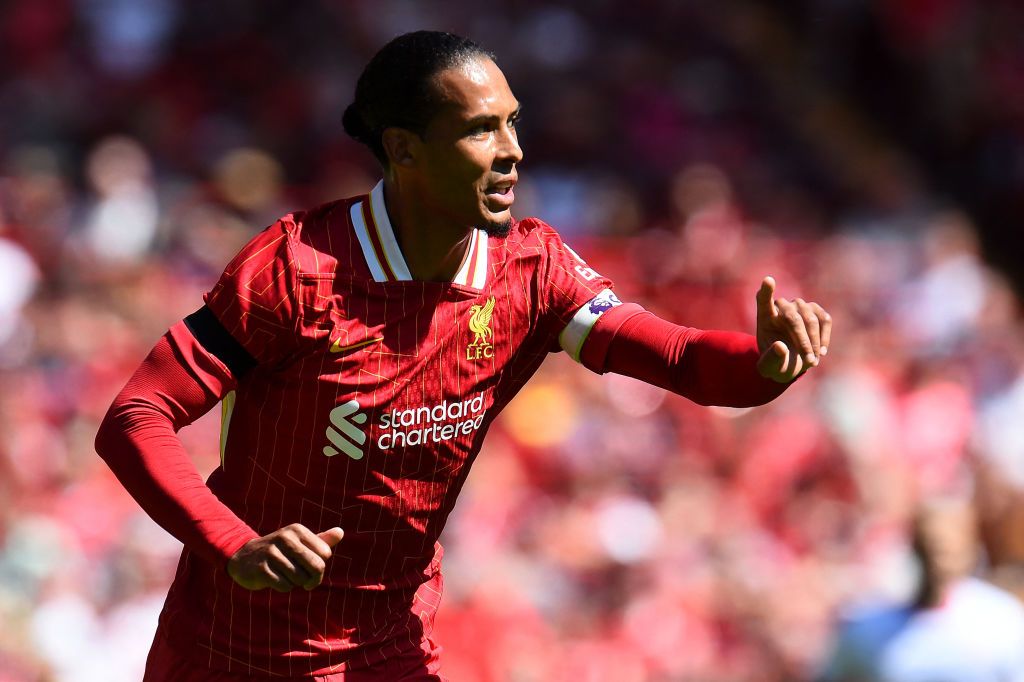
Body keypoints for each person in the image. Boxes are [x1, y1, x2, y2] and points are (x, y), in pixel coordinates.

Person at [95, 30, 832, 681]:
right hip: (233, 654)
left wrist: (763, 365)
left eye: (512, 123)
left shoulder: (531, 270)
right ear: (405, 149)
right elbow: (136, 416)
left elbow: (675, 357)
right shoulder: (296, 269)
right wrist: (235, 543)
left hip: (386, 653)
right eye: (481, 130)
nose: (512, 150)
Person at [820, 498, 1024, 682]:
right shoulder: (869, 626)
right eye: (928, 546)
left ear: (969, 550)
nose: (937, 563)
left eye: (945, 551)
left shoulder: (1002, 622)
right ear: (913, 548)